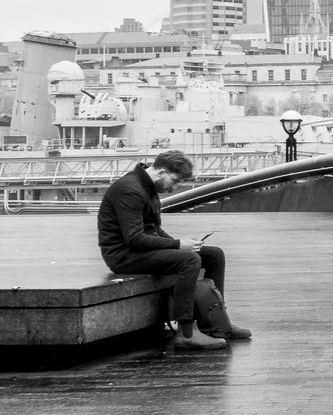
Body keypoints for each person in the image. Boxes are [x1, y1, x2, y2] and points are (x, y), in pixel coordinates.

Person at [97, 150, 251, 351]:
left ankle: (216, 322)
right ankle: (186, 333)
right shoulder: (130, 190)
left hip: (140, 250)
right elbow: (134, 240)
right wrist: (178, 245)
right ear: (161, 172)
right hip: (123, 256)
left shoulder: (148, 187)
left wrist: (183, 244)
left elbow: (153, 229)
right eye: (175, 180)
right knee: (189, 260)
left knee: (214, 255)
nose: (175, 187)